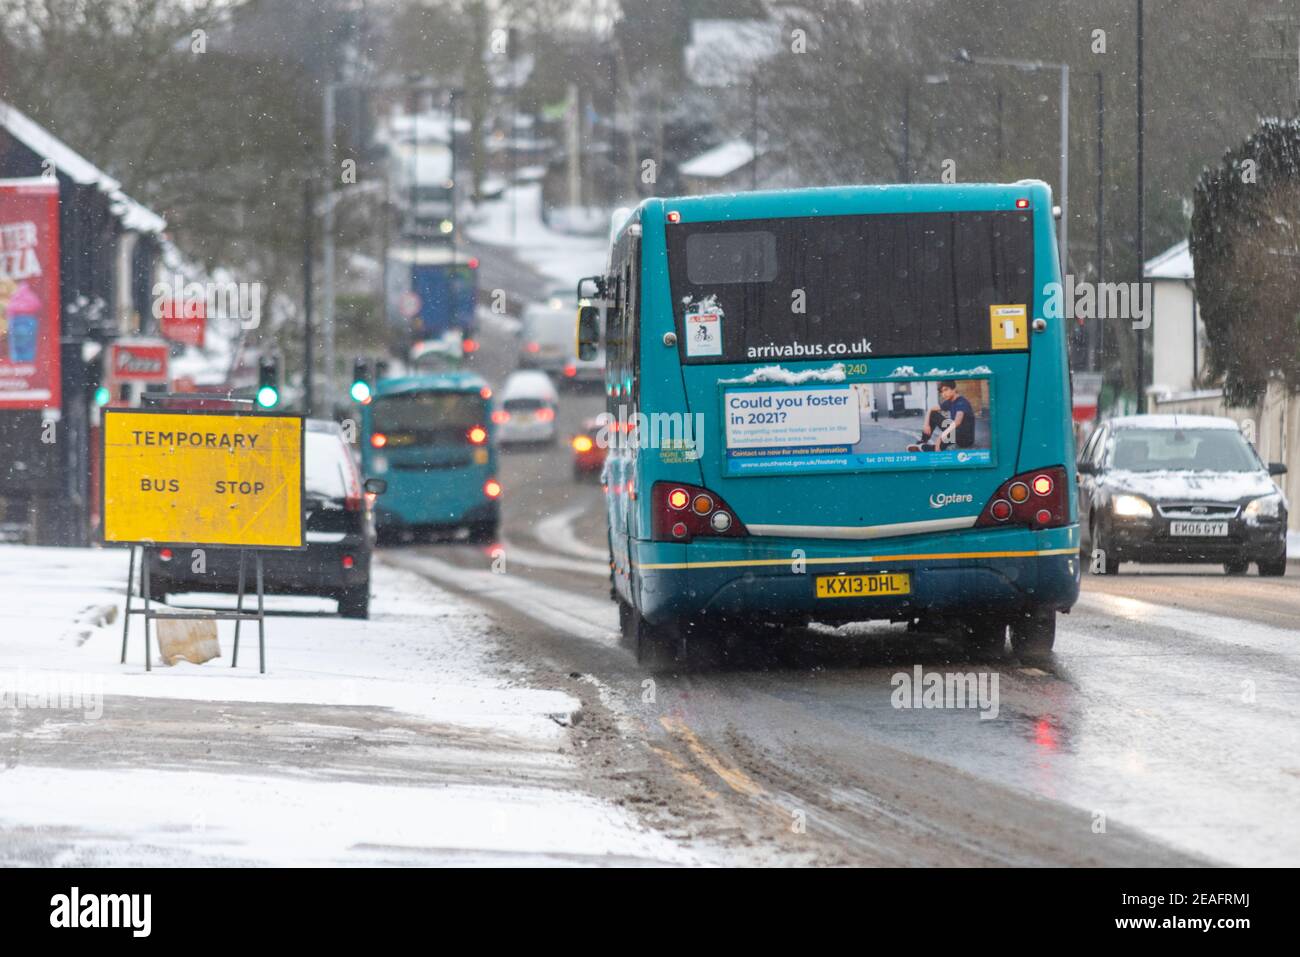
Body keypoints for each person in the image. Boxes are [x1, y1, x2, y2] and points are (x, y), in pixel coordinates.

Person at [917, 380, 975, 451]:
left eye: (946, 390)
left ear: (954, 389)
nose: (943, 394)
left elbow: (957, 422)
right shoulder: (949, 401)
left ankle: (931, 448)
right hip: (955, 432)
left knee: (942, 441)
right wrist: (926, 424)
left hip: (965, 439)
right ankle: (923, 441)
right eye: (942, 392)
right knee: (933, 414)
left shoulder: (962, 402)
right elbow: (931, 409)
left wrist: (940, 437)